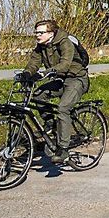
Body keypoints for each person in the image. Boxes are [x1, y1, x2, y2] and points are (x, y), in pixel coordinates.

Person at [24, 19, 89, 164]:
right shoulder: (41, 47)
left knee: (62, 108)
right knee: (38, 95)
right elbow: (33, 63)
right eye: (36, 32)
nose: (37, 35)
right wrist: (26, 74)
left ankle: (63, 149)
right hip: (60, 79)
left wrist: (45, 73)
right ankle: (50, 123)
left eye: (41, 32)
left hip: (76, 78)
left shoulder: (65, 42)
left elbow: (65, 64)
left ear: (51, 33)